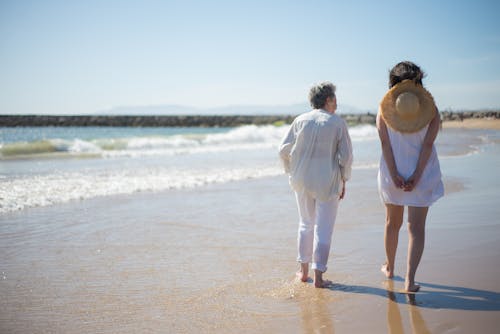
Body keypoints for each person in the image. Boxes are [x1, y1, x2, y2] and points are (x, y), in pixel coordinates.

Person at [377, 61, 444, 292]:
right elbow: (427, 146)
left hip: (391, 174)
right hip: (423, 175)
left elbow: (385, 144)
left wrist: (395, 174)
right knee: (416, 229)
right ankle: (410, 280)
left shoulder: (383, 110)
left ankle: (390, 267)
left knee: (391, 224)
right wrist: (416, 175)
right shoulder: (432, 112)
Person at [279, 82, 353, 288]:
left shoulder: (300, 120)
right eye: (335, 98)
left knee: (305, 224)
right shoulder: (337, 122)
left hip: (301, 179)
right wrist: (344, 179)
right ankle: (319, 278)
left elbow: (283, 150)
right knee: (324, 228)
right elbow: (346, 157)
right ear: (328, 99)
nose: (337, 103)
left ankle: (303, 273)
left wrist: (291, 171)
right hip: (327, 180)